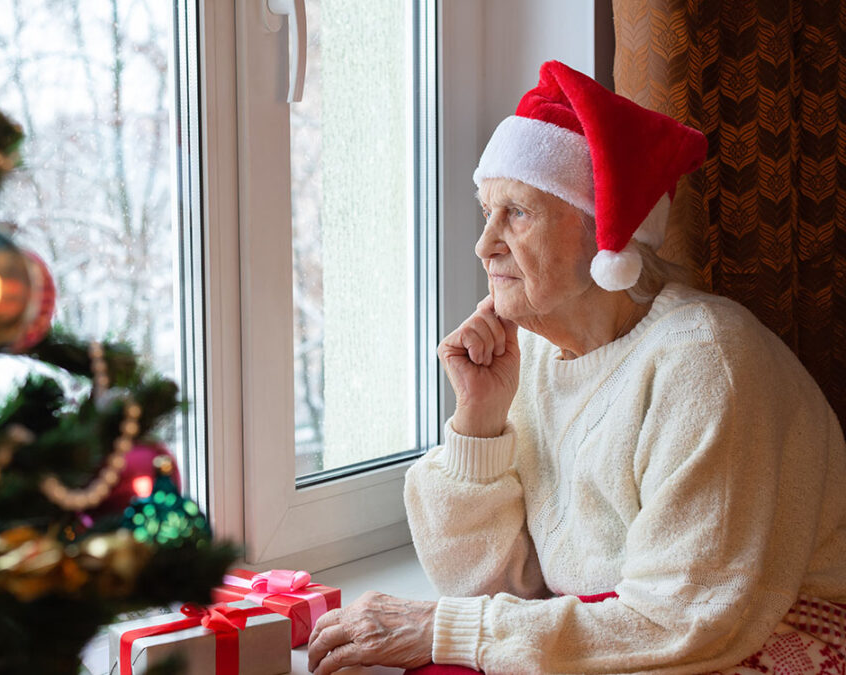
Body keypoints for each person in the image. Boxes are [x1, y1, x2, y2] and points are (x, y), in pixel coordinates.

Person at [306, 61, 846, 675]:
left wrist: (441, 628)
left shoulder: (706, 362)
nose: (484, 244)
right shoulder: (534, 353)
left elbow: (684, 619)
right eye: (486, 211)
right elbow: (494, 586)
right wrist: (479, 423)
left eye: (517, 213)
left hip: (771, 635)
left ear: (604, 235)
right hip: (646, 632)